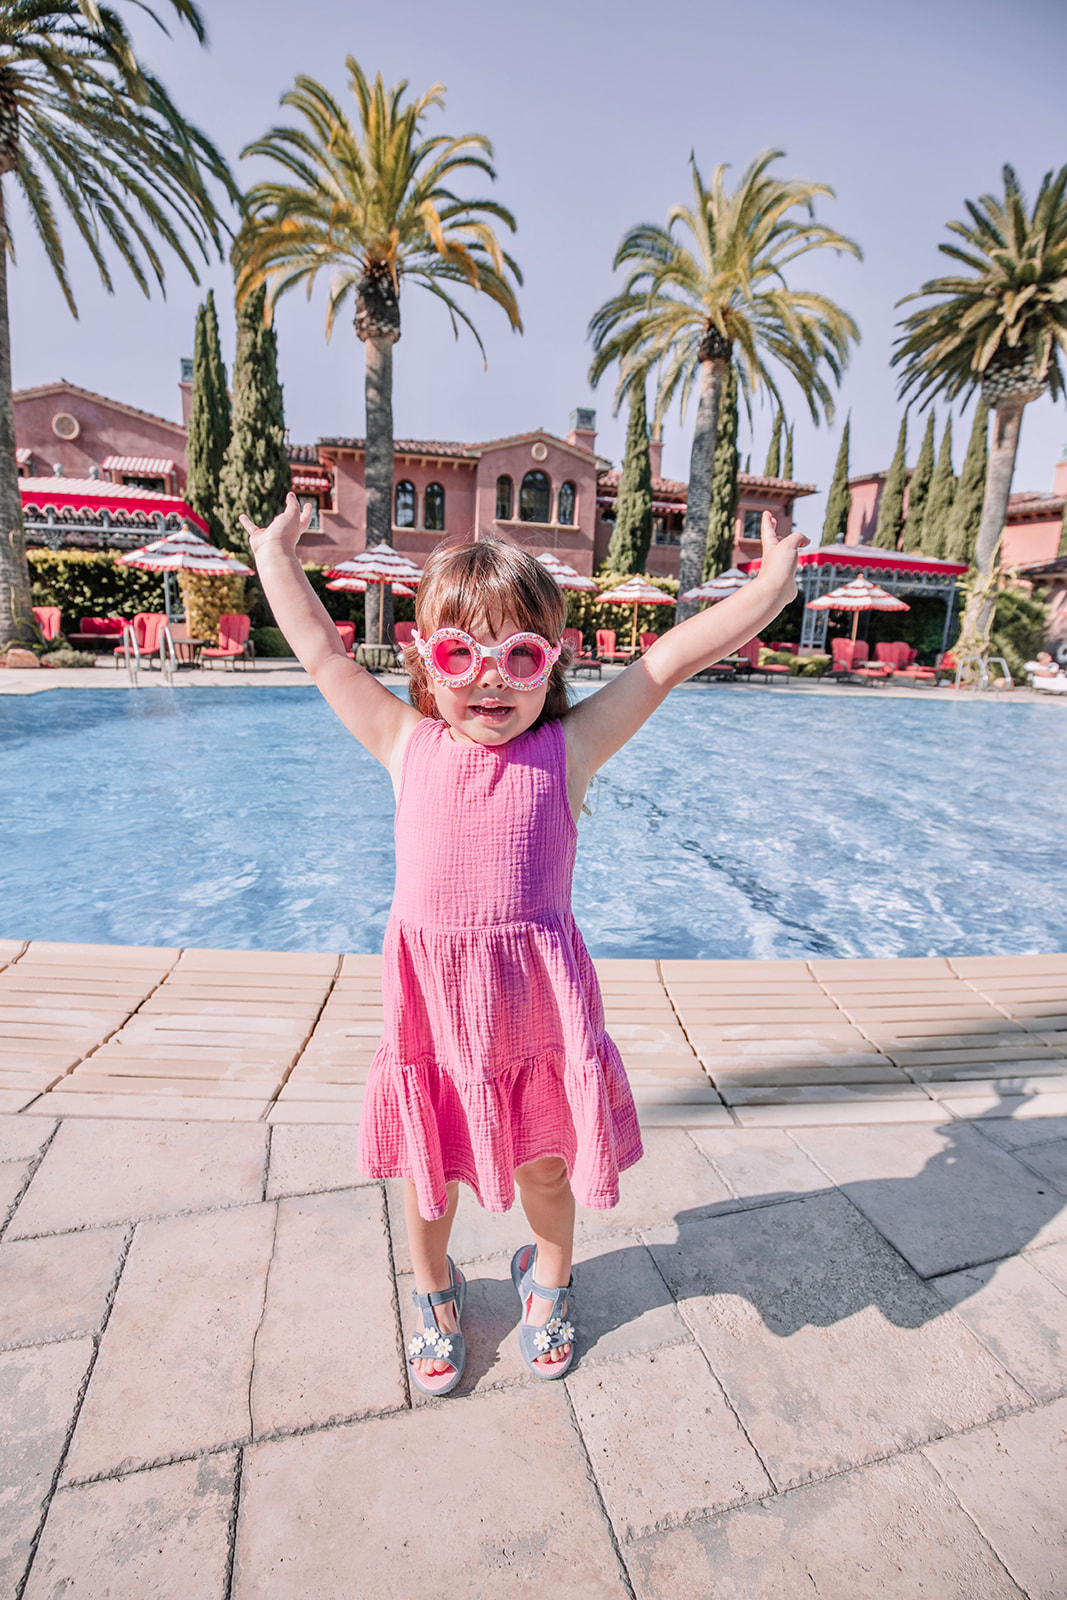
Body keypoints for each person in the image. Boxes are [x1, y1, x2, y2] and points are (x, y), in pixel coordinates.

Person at [241, 496, 806, 1396]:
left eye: (520, 656)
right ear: (427, 662)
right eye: (462, 655)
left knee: (546, 1165)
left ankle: (547, 1281)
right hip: (435, 1018)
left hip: (535, 1015)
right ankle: (433, 1291)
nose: (490, 680)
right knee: (432, 1173)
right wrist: (275, 555)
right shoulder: (403, 742)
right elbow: (319, 651)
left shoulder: (568, 750)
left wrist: (773, 586)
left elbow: (668, 660)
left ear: (554, 663)